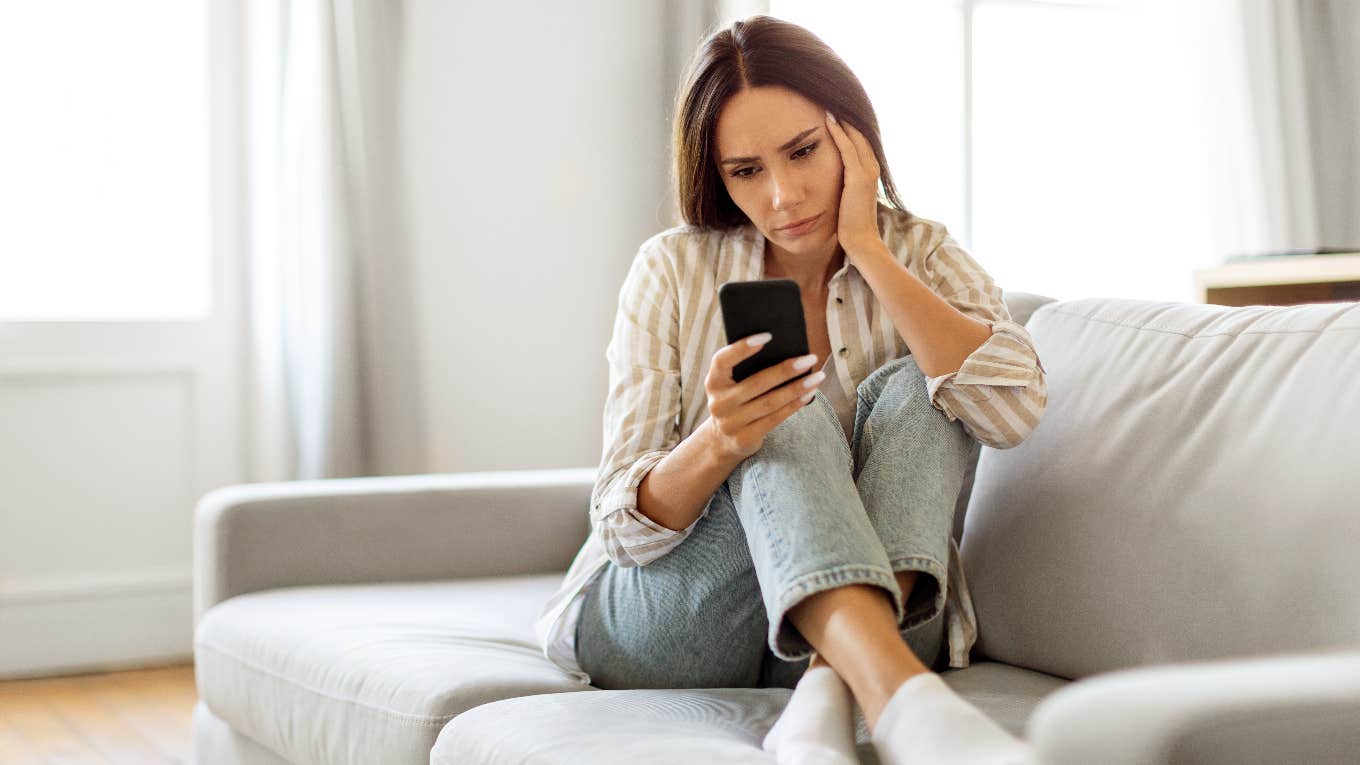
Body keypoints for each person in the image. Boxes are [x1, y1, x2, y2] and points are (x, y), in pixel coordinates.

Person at [533, 14, 1047, 765]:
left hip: (890, 606)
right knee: (784, 407)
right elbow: (623, 529)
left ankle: (826, 689)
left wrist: (869, 247)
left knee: (926, 390)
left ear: (854, 137)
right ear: (718, 176)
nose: (782, 195)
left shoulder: (920, 252)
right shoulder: (671, 269)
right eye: (746, 171)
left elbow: (1015, 408)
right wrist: (722, 440)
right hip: (680, 615)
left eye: (804, 151)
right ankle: (906, 702)